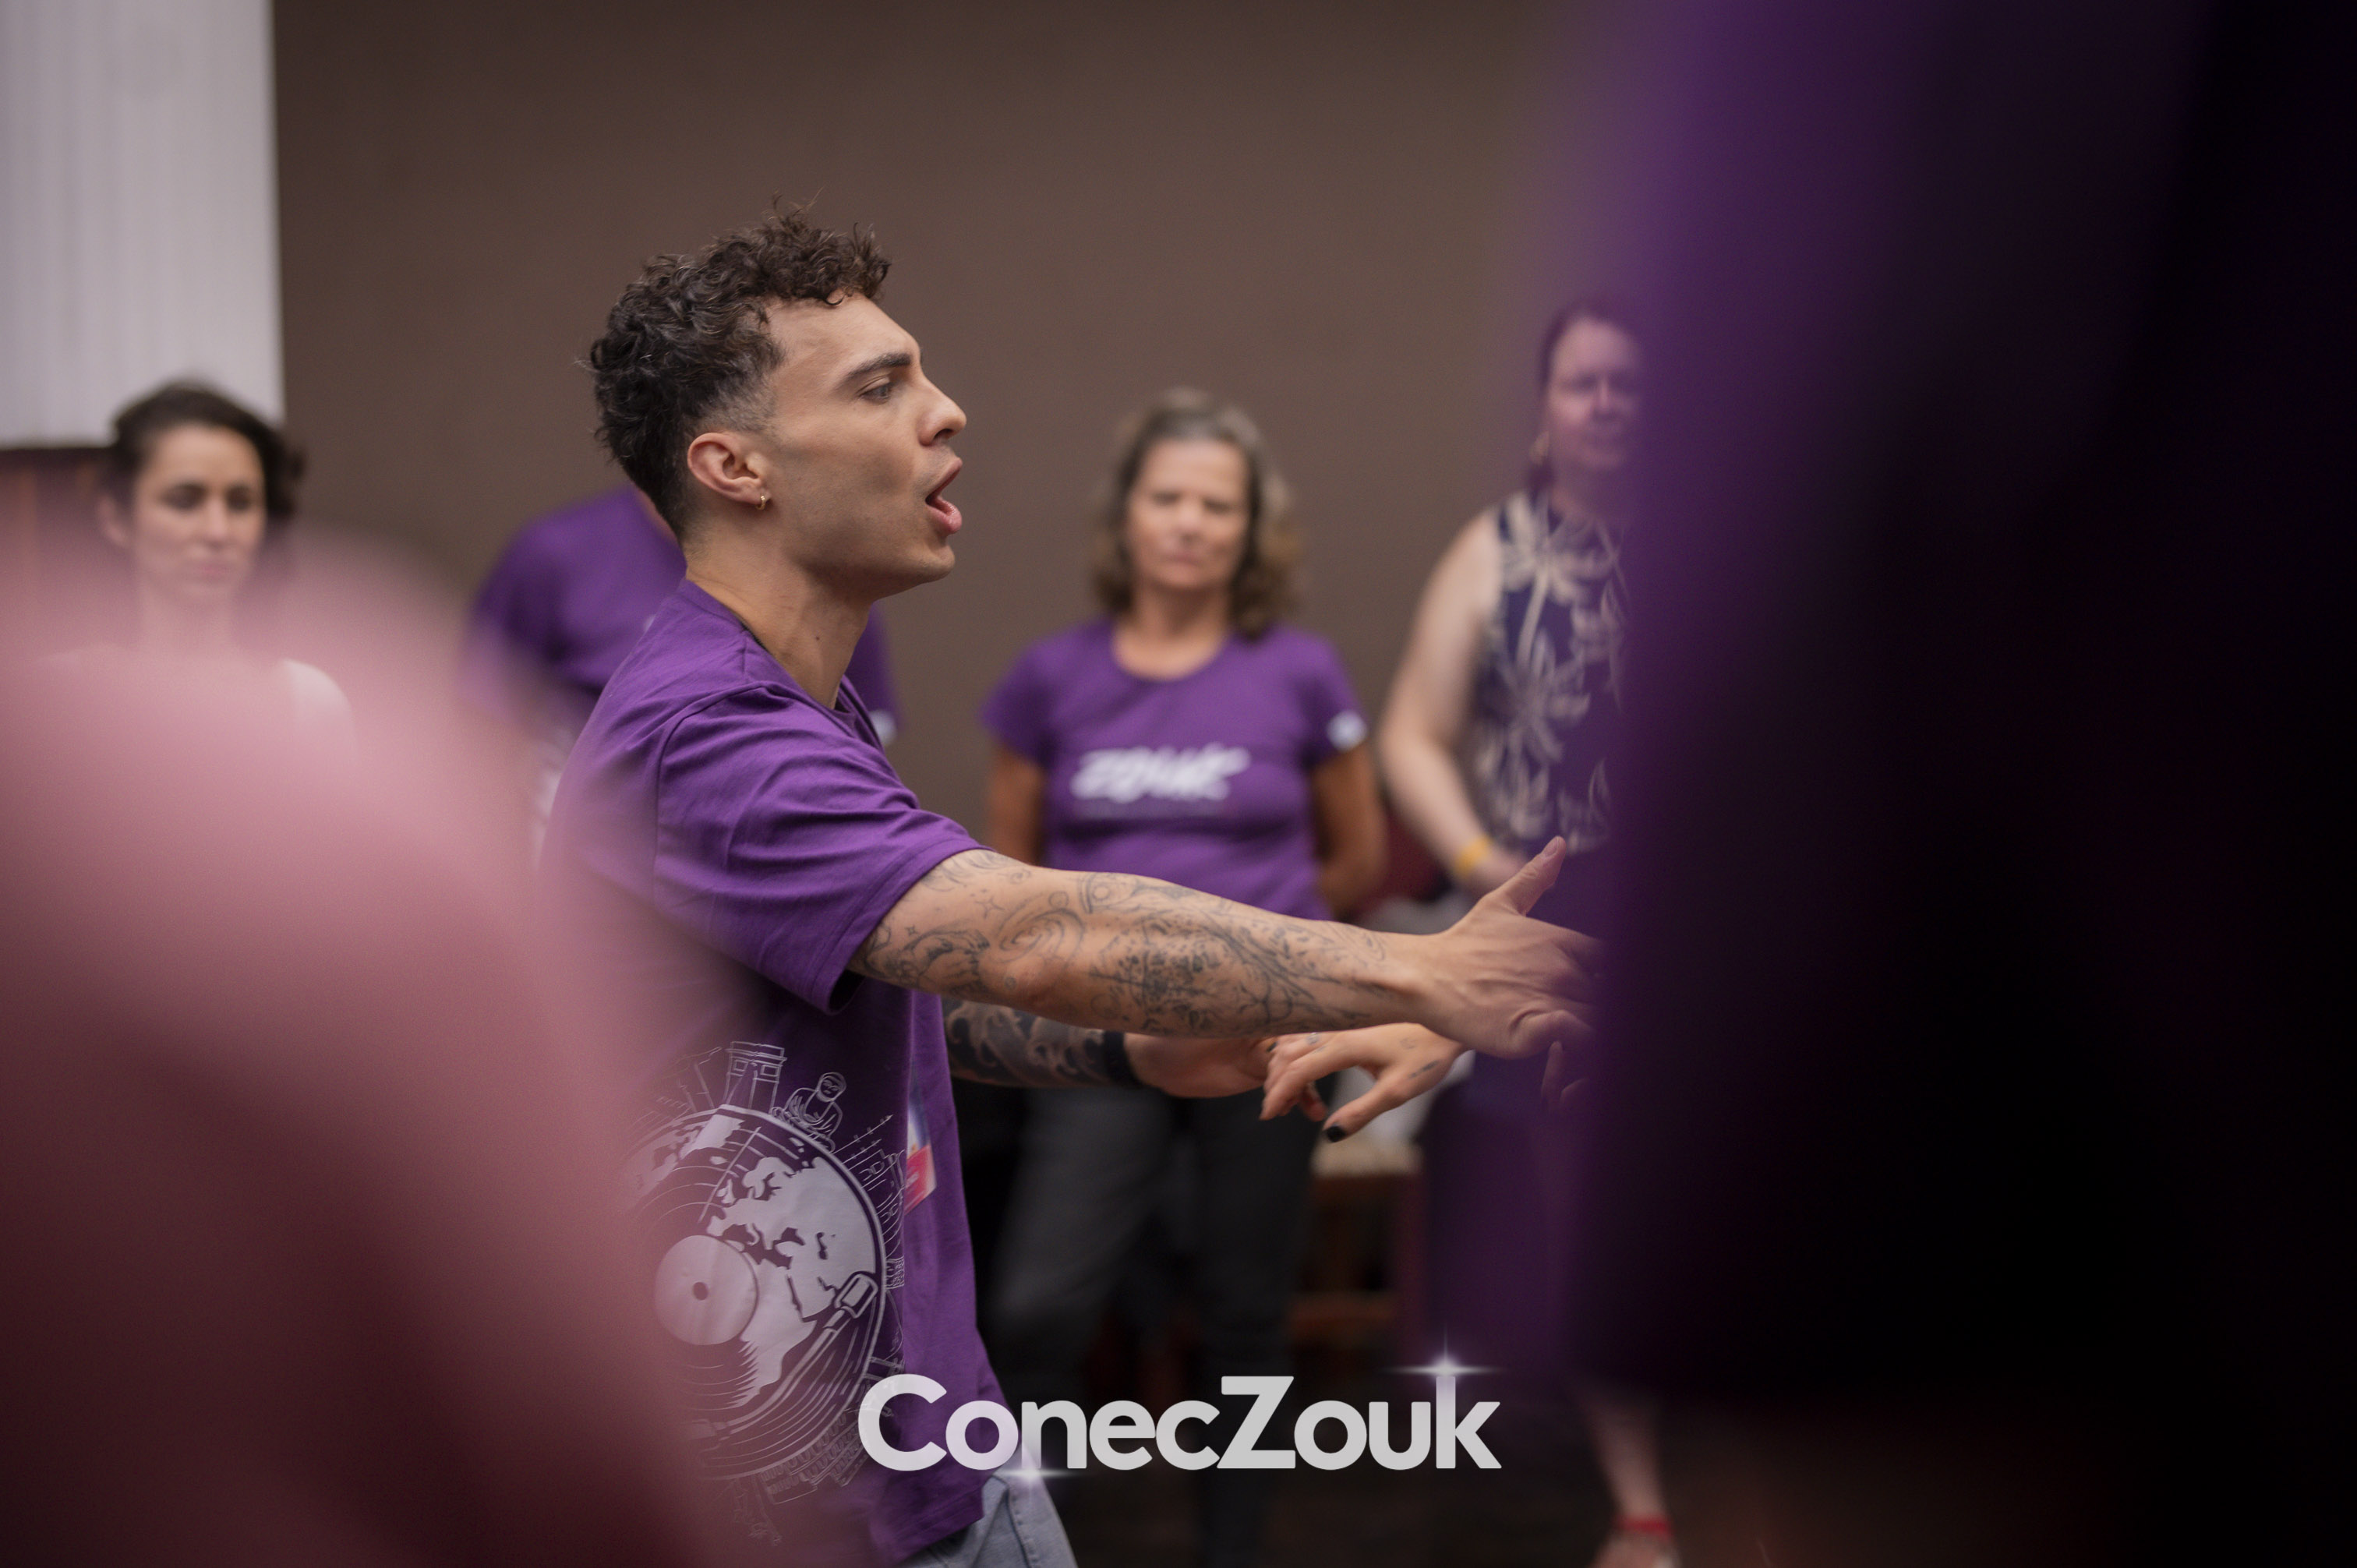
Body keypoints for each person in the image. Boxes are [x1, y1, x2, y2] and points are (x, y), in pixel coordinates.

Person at [540, 210, 1596, 1568]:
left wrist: (1129, 1048)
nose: (945, 410)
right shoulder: (705, 731)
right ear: (734, 465)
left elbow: (911, 993)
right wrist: (1424, 968)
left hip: (927, 1448)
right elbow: (1030, 933)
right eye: (881, 386)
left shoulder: (800, 707)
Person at [978, 389, 1387, 1568]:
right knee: (1038, 1309)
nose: (1192, 522)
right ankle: (1024, 1542)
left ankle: (1230, 1552)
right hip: (1099, 1038)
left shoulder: (1301, 673)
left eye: (1220, 503)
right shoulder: (1048, 679)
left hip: (1269, 1035)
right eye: (1169, 497)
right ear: (1127, 514)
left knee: (1246, 1309)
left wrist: (1264, 964)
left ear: (1253, 528)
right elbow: (1007, 881)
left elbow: (1355, 861)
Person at [1366, 295, 1674, 1568]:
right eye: (1581, 382)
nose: (1605, 404)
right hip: (1556, 920)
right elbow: (1409, 733)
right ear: (1544, 407)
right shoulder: (1489, 552)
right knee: (1591, 1222)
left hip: (1697, 924)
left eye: (1629, 383)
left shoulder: (1717, 527)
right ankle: (1644, 1510)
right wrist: (1476, 861)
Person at [458, 483, 901, 845]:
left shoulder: (820, 574)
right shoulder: (557, 553)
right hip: (580, 866)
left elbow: (858, 766)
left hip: (754, 863)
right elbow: (480, 731)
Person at [47, 382, 352, 747]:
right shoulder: (46, 696)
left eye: (240, 503)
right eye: (184, 501)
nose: (217, 532)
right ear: (116, 518)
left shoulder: (313, 701)